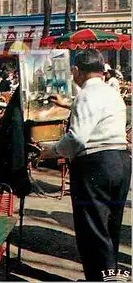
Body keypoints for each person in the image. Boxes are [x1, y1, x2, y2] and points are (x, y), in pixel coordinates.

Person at [50, 50, 130, 282]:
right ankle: (109, 277)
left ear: (76, 71)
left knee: (93, 230)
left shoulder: (86, 94)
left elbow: (77, 137)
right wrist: (68, 104)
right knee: (110, 227)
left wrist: (52, 150)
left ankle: (97, 279)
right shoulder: (111, 91)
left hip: (96, 164)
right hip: (120, 162)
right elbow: (96, 113)